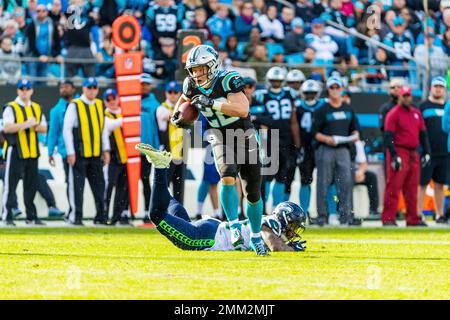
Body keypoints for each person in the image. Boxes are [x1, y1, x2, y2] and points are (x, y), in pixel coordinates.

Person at [170, 44, 268, 255]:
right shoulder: (191, 84)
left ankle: (256, 237)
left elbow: (242, 109)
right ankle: (233, 226)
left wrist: (212, 103)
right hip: (219, 133)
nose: (196, 74)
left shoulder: (228, 79)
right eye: (193, 69)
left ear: (212, 66)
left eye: (200, 68)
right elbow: (184, 100)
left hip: (243, 133)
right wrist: (177, 114)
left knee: (252, 192)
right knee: (227, 175)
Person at [136, 144, 307, 253]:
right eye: (293, 224)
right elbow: (275, 246)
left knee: (170, 208)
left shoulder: (268, 221)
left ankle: (161, 173)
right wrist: (291, 249)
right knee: (156, 215)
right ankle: (160, 168)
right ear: (283, 219)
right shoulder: (272, 224)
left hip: (213, 228)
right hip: (208, 236)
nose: (294, 230)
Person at [312, 77, 361, 226]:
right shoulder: (322, 109)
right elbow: (314, 133)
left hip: (343, 149)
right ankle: (322, 216)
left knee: (346, 183)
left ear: (341, 89)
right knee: (323, 183)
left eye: (337, 87)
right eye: (331, 88)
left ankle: (346, 216)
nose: (334, 90)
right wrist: (327, 139)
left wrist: (354, 136)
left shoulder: (348, 108)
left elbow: (356, 129)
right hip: (326, 148)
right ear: (328, 90)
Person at [63, 77, 109, 226]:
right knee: (77, 187)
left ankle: (100, 217)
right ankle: (76, 217)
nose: (92, 90)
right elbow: (67, 130)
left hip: (95, 154)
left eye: (94, 87)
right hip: (79, 154)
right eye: (89, 87)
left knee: (99, 187)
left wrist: (105, 149)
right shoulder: (74, 105)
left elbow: (103, 130)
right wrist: (70, 152)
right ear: (83, 88)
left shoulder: (99, 104)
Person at [253, 67, 301, 210]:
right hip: (270, 137)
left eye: (278, 81)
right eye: (273, 80)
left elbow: (293, 119)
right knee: (267, 174)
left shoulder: (289, 94)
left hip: (286, 138)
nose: (276, 83)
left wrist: (297, 143)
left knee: (283, 174)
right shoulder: (262, 95)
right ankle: (264, 207)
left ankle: (276, 207)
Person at [382, 86, 431, 227]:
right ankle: (388, 218)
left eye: (408, 95)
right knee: (394, 186)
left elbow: (423, 134)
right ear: (399, 97)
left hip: (413, 152)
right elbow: (388, 136)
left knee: (412, 188)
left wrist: (427, 152)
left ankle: (413, 219)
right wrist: (394, 154)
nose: (406, 98)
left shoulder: (416, 113)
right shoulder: (393, 114)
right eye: (404, 95)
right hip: (399, 151)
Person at [1, 79, 47, 226]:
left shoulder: (37, 107)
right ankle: (7, 215)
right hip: (15, 150)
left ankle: (31, 216)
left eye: (27, 89)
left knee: (31, 185)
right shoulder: (11, 107)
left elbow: (44, 128)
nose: (25, 91)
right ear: (18, 91)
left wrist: (35, 126)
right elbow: (7, 128)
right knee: (11, 184)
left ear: (32, 90)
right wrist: (26, 124)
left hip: (33, 152)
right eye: (22, 89)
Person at [418, 76, 449, 223]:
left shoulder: (447, 107)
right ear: (431, 88)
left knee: (440, 185)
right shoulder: (423, 106)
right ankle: (418, 214)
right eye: (436, 86)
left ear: (445, 89)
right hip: (428, 152)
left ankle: (439, 214)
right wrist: (422, 150)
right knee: (422, 184)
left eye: (441, 87)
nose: (438, 89)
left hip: (445, 152)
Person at [295, 79, 325, 220]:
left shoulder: (323, 106)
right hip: (305, 147)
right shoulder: (298, 107)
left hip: (321, 146)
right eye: (307, 93)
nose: (310, 96)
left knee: (327, 180)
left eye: (313, 93)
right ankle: (304, 211)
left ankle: (326, 213)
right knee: (305, 180)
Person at [102, 89, 132, 226]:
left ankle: (117, 217)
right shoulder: (105, 115)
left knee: (123, 189)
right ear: (105, 102)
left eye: (113, 98)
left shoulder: (122, 113)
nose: (112, 101)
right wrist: (127, 118)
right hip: (113, 157)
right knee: (108, 188)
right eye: (108, 99)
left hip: (126, 157)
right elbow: (110, 125)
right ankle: (104, 215)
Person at [157, 81, 187, 204]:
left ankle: (179, 214)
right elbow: (170, 116)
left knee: (179, 188)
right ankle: (164, 211)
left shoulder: (183, 108)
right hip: (167, 153)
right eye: (170, 92)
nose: (173, 95)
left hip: (181, 153)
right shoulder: (162, 108)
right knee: (165, 186)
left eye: (175, 92)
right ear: (166, 93)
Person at [140, 73, 160, 224]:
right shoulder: (130, 102)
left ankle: (148, 213)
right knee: (128, 182)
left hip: (147, 150)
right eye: (142, 84)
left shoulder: (155, 105)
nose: (144, 87)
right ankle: (125, 212)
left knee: (146, 181)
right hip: (131, 150)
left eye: (147, 84)